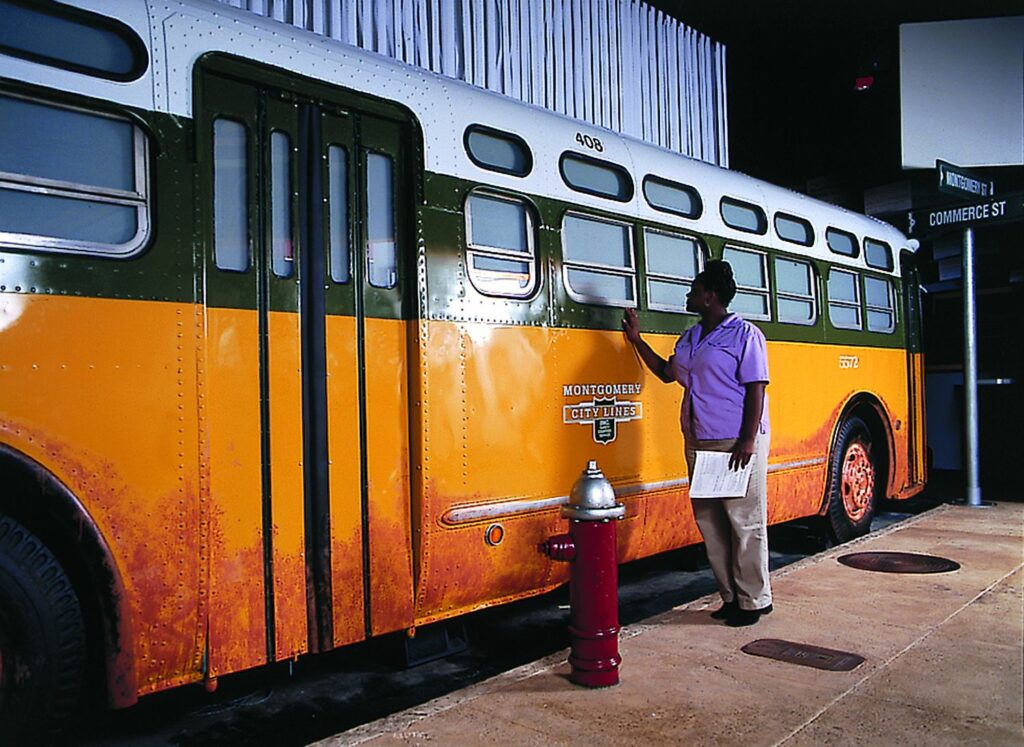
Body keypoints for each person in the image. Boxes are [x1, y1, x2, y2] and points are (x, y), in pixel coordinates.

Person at [622, 259, 772, 626]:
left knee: (744, 520)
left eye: (694, 290)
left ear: (710, 296)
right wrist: (637, 341)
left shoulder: (745, 335)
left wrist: (748, 439)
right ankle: (730, 597)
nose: (688, 295)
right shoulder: (690, 338)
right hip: (700, 439)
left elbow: (756, 388)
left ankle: (754, 600)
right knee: (711, 521)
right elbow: (666, 373)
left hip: (735, 441)